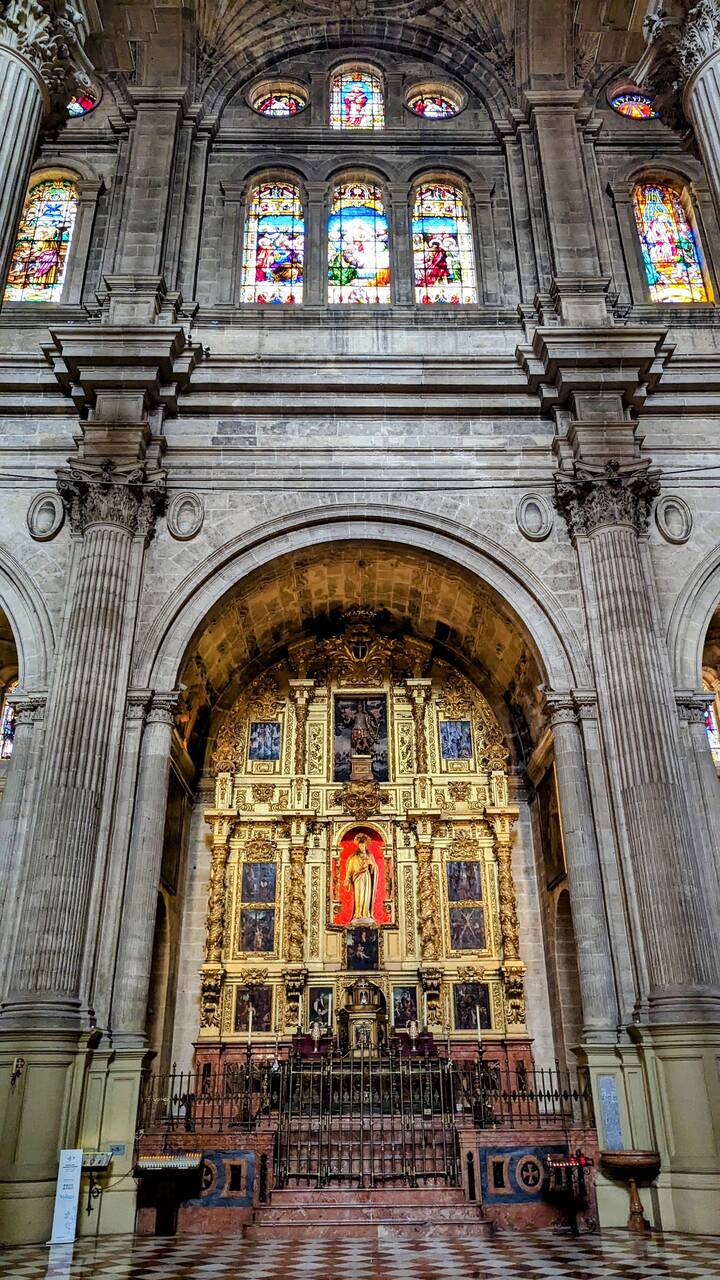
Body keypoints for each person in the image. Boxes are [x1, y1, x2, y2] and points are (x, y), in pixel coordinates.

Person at [343, 832, 377, 923]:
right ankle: (358, 912)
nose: (362, 847)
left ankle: (365, 912)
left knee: (366, 895)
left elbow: (374, 869)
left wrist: (371, 864)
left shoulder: (370, 856)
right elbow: (349, 870)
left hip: (367, 878)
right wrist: (347, 878)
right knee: (359, 895)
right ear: (358, 846)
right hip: (358, 878)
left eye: (363, 845)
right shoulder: (354, 858)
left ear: (366, 846)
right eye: (360, 845)